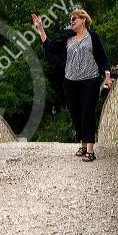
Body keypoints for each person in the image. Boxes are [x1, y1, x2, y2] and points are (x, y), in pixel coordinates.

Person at [32, 9, 111, 162]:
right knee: (76, 114)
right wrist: (40, 28)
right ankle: (82, 144)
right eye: (71, 19)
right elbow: (50, 47)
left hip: (90, 80)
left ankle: (90, 150)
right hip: (70, 82)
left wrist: (107, 77)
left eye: (74, 18)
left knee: (87, 111)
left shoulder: (93, 37)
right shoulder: (68, 38)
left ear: (83, 19)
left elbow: (103, 58)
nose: (72, 21)